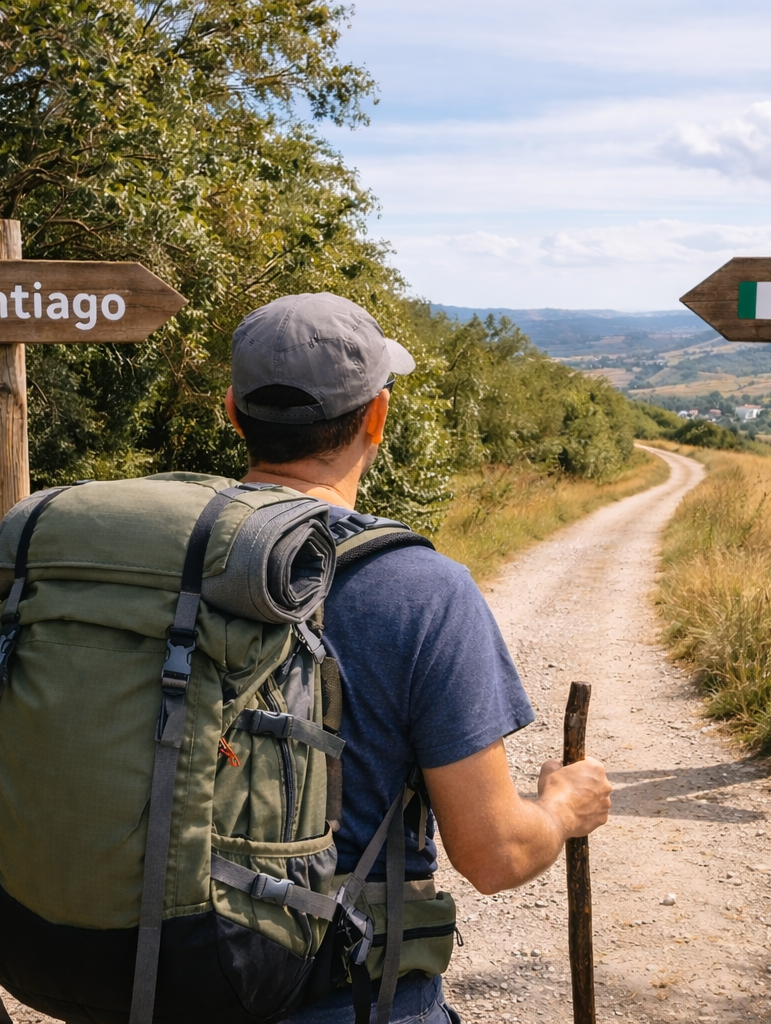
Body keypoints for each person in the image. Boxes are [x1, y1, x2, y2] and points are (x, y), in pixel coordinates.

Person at [223, 292, 613, 1024]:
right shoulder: (421, 589)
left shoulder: (161, 566)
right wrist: (562, 808)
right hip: (343, 998)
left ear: (232, 412)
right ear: (378, 415)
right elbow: (494, 854)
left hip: (152, 976)